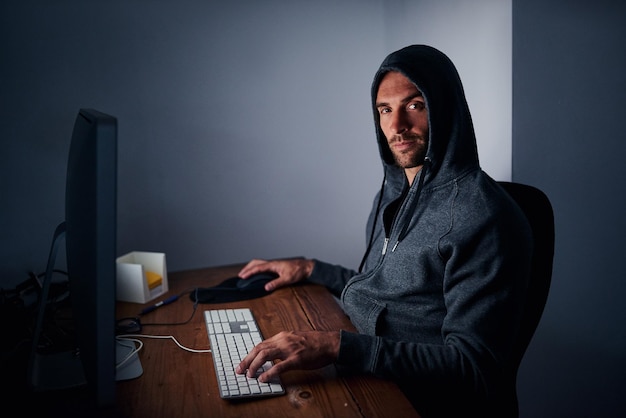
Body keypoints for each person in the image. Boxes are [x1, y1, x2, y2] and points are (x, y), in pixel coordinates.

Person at [235, 45, 533, 418]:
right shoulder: (393, 195)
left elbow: (473, 368)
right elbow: (386, 290)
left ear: (444, 108)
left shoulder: (481, 216)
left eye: (415, 105)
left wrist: (337, 347)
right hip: (372, 374)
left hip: (422, 401)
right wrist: (311, 268)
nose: (396, 127)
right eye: (385, 110)